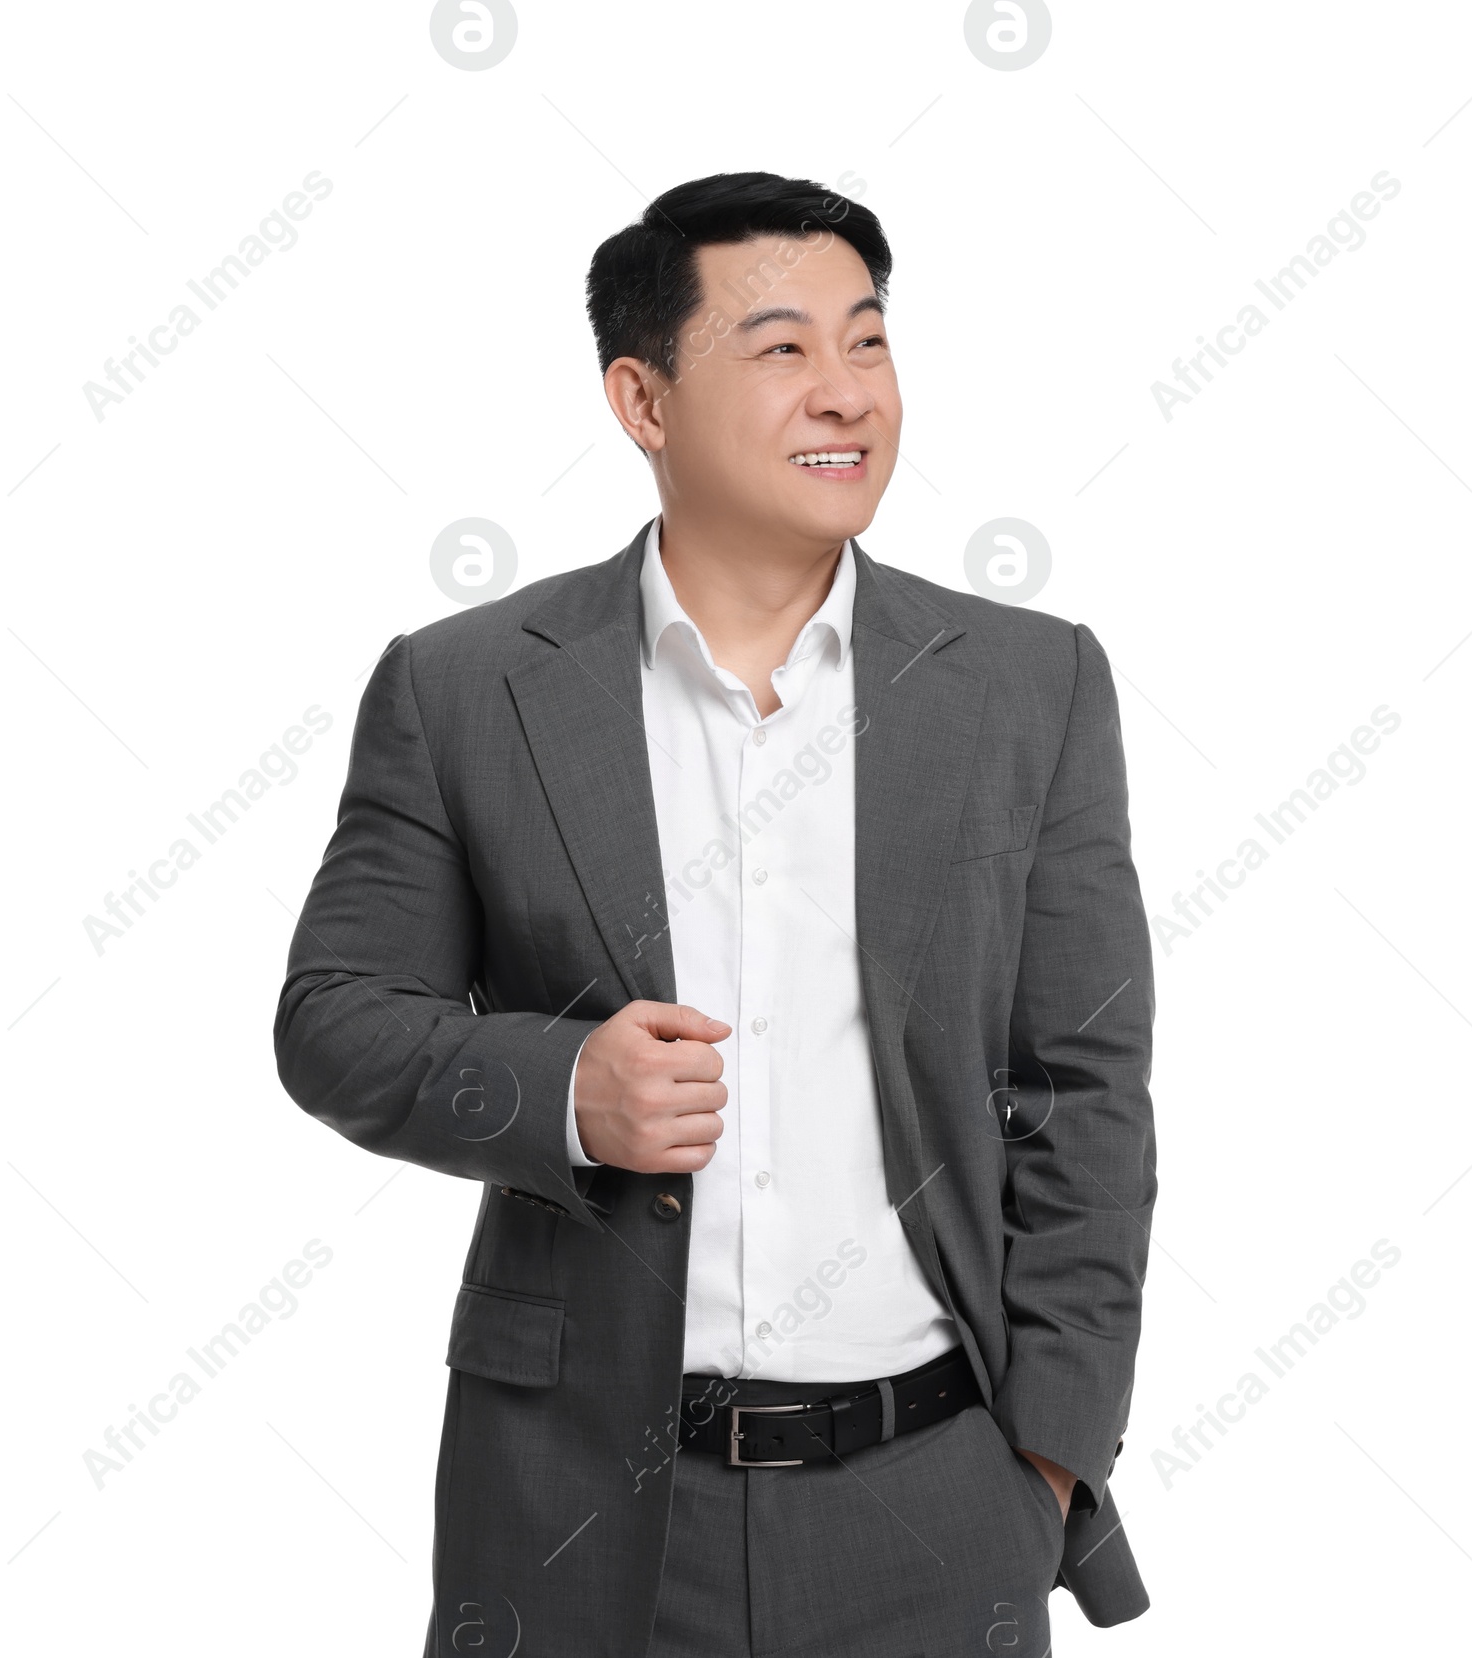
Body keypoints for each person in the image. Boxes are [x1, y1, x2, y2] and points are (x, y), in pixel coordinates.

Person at [275, 170, 1156, 1657]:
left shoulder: (1029, 683)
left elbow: (1087, 1089)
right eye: (781, 349)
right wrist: (565, 1088)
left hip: (939, 1501)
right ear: (643, 397)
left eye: (868, 342)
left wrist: (1051, 1453)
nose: (845, 394)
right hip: (579, 1507)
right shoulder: (465, 686)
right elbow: (336, 1021)